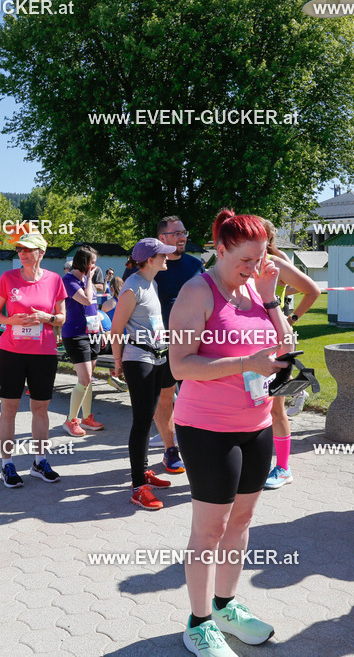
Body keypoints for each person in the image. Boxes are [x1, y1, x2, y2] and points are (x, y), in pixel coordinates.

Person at [169, 209, 292, 654]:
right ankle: (198, 622)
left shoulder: (257, 289)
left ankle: (225, 606)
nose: (254, 267)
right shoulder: (196, 291)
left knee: (241, 520)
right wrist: (245, 363)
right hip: (206, 428)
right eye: (245, 259)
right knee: (209, 529)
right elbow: (179, 365)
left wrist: (271, 297)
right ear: (219, 249)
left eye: (260, 258)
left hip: (255, 424)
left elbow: (285, 347)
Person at [0, 232, 66, 488]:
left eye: (28, 249)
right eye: (20, 249)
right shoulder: (8, 278)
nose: (22, 253)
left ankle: (39, 461)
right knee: (9, 409)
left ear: (41, 253)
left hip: (43, 354)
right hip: (12, 353)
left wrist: (47, 318)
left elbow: (61, 318)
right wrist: (12, 321)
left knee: (40, 409)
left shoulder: (55, 280)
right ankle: (6, 464)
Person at [111, 237, 177, 509]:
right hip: (138, 359)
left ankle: (145, 471)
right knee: (141, 422)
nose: (167, 259)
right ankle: (138, 486)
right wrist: (118, 363)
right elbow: (116, 329)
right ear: (150, 260)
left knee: (149, 417)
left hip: (158, 357)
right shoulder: (131, 287)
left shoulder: (152, 282)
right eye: (162, 255)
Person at [259, 220, 321, 489]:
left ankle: (283, 467)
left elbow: (313, 290)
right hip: (245, 344)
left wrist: (291, 318)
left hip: (275, 342)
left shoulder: (276, 261)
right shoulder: (238, 263)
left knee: (275, 408)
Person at [151, 215, 205, 474]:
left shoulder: (196, 265)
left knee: (199, 396)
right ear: (162, 238)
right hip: (161, 345)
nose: (183, 237)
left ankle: (199, 447)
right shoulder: (149, 266)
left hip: (197, 345)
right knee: (164, 398)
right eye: (176, 233)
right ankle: (170, 449)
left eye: (184, 232)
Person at [60, 245, 106, 437]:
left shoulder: (86, 280)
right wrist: (88, 278)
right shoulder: (69, 281)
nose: (95, 267)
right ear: (84, 263)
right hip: (76, 333)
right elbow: (86, 300)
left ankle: (87, 417)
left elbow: (93, 307)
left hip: (93, 331)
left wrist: (102, 330)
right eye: (92, 263)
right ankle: (71, 420)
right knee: (84, 378)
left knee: (89, 379)